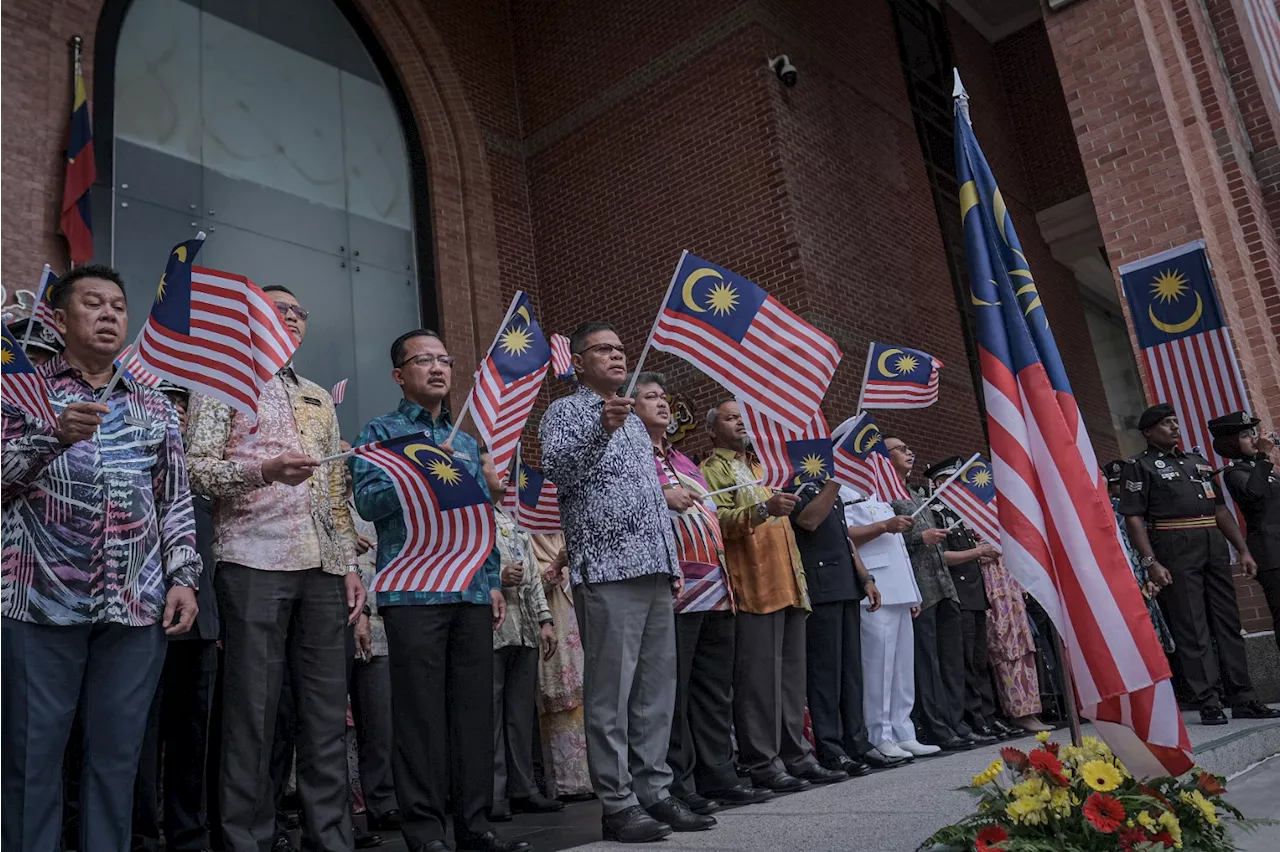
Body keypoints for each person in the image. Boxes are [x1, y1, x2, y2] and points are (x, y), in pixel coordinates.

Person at [0, 264, 202, 852]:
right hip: (38, 600)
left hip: (135, 608)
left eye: (118, 304)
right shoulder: (23, 391)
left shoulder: (154, 405)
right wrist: (52, 437)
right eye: (94, 303)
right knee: (30, 758)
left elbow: (175, 498)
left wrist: (184, 576)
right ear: (59, 319)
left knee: (117, 761)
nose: (111, 314)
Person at [185, 283, 366, 852]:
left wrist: (347, 566)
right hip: (251, 561)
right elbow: (194, 470)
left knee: (324, 713)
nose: (289, 318)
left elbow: (335, 486)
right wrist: (263, 471)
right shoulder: (221, 384)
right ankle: (245, 838)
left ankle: (329, 836)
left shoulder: (316, 396)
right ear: (251, 319)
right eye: (276, 309)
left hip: (322, 569)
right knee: (253, 712)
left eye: (297, 311)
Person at [351, 329, 529, 852]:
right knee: (420, 715)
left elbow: (481, 519)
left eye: (444, 360)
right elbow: (369, 501)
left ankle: (475, 825)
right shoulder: (379, 432)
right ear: (398, 374)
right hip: (413, 590)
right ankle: (426, 830)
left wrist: (493, 580)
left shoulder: (469, 441)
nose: (436, 368)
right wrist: (426, 470)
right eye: (422, 360)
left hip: (471, 589)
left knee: (474, 713)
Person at [539, 322, 713, 842]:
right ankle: (617, 803)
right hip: (607, 570)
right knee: (610, 695)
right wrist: (602, 429)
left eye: (620, 348)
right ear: (579, 360)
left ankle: (655, 792)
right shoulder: (564, 412)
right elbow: (559, 472)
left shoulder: (637, 422)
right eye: (604, 350)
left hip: (654, 569)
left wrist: (672, 562)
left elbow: (652, 497)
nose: (617, 356)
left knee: (656, 692)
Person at [632, 374, 771, 815]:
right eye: (650, 397)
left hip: (716, 586)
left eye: (663, 397)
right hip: (674, 590)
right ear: (630, 409)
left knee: (714, 690)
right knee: (671, 694)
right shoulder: (633, 459)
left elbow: (712, 514)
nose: (662, 404)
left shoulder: (685, 463)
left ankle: (720, 776)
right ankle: (678, 783)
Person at [1119, 403, 1279, 725]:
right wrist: (1150, 562)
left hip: (1212, 544)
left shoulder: (1199, 463)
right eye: (1166, 423)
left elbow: (1220, 511)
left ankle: (1243, 696)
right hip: (1174, 546)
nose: (1175, 427)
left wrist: (1243, 550)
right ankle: (1208, 700)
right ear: (1149, 432)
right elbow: (1134, 519)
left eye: (1176, 422)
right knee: (1193, 626)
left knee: (1228, 622)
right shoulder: (1140, 466)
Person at [701, 400, 831, 793]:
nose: (740, 422)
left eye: (743, 417)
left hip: (790, 582)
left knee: (792, 680)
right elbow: (716, 522)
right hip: (753, 585)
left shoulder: (764, 467)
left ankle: (796, 756)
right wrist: (763, 509)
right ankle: (762, 761)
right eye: (729, 417)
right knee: (758, 682)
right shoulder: (711, 469)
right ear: (712, 430)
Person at [132, 383, 222, 852]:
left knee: (192, 743)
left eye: (184, 407)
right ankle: (142, 836)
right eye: (171, 405)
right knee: (140, 740)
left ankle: (189, 835)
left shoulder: (203, 475)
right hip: (141, 617)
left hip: (200, 622)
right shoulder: (135, 462)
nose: (179, 414)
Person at [788, 471, 893, 775]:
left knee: (851, 672)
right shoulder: (796, 483)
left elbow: (846, 539)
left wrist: (866, 577)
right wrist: (834, 484)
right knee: (826, 674)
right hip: (822, 586)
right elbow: (808, 521)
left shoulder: (824, 487)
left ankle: (857, 742)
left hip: (846, 583)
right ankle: (831, 748)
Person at [883, 435, 980, 751]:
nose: (909, 452)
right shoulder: (883, 497)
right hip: (919, 588)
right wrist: (918, 538)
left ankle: (958, 723)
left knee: (952, 660)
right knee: (928, 663)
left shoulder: (915, 494)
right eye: (900, 449)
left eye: (909, 448)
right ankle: (937, 728)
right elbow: (890, 543)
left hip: (944, 585)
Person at [483, 449, 563, 821]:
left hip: (526, 629)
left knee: (520, 714)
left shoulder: (513, 521)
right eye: (490, 463)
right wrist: (495, 580)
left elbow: (531, 575)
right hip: (491, 630)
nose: (502, 470)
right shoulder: (470, 518)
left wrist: (545, 621)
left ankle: (524, 787)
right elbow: (461, 569)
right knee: (490, 714)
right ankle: (493, 793)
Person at [843, 485, 937, 759]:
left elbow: (900, 550)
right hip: (875, 587)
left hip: (899, 588)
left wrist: (912, 592)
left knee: (901, 670)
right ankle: (878, 734)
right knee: (878, 669)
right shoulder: (843, 492)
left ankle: (903, 731)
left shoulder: (876, 491)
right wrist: (883, 525)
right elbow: (844, 537)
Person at [923, 457, 1007, 741]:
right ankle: (974, 718)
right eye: (950, 480)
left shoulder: (959, 513)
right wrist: (978, 552)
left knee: (980, 658)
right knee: (965, 660)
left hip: (975, 592)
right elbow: (942, 555)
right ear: (937, 483)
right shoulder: (934, 512)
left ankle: (988, 714)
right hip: (958, 593)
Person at [528, 534, 593, 800]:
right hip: (551, 629)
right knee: (560, 699)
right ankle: (567, 783)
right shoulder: (528, 541)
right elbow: (531, 588)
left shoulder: (567, 536)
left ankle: (596, 777)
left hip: (578, 627)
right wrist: (556, 563)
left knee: (587, 699)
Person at [1214, 412, 1280, 659]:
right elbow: (1254, 496)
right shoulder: (1235, 472)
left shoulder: (1265, 469)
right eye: (1245, 435)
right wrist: (1264, 456)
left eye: (1254, 432)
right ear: (1231, 443)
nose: (1253, 438)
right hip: (1271, 555)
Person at [1103, 459, 1175, 654]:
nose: (1121, 487)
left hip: (1155, 571)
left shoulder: (1142, 505)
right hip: (1131, 577)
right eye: (1116, 483)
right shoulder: (1111, 510)